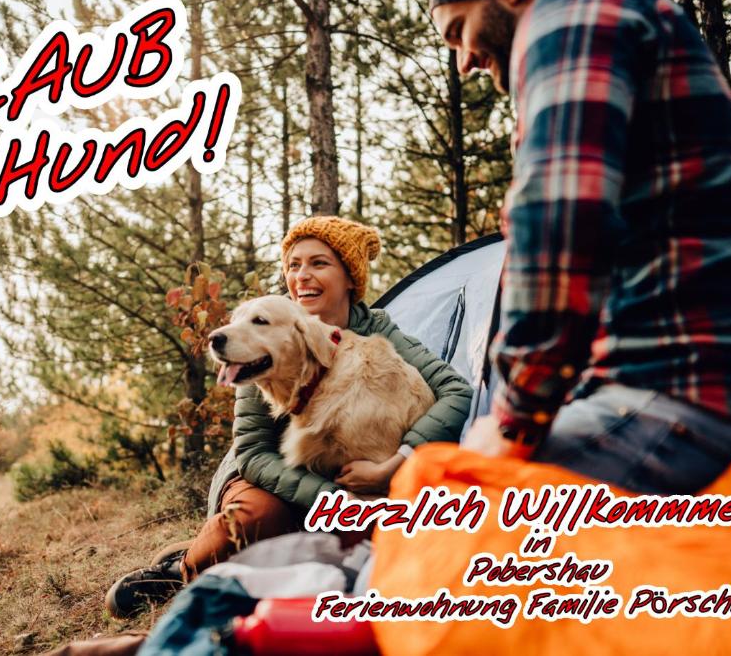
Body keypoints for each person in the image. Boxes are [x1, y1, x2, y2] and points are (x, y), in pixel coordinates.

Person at [430, 0, 731, 493]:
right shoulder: (617, 16)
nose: (464, 61)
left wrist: (512, 422)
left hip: (695, 388)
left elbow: (559, 219)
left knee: (449, 504)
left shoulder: (568, 11)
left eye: (459, 31)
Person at [105, 216, 474, 617]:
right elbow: (253, 451)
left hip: (360, 478)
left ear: (349, 277)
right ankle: (181, 571)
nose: (303, 276)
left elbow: (457, 393)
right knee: (258, 519)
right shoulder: (261, 334)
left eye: (319, 263)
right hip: (274, 478)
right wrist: (332, 500)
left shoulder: (379, 332)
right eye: (294, 265)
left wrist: (397, 462)